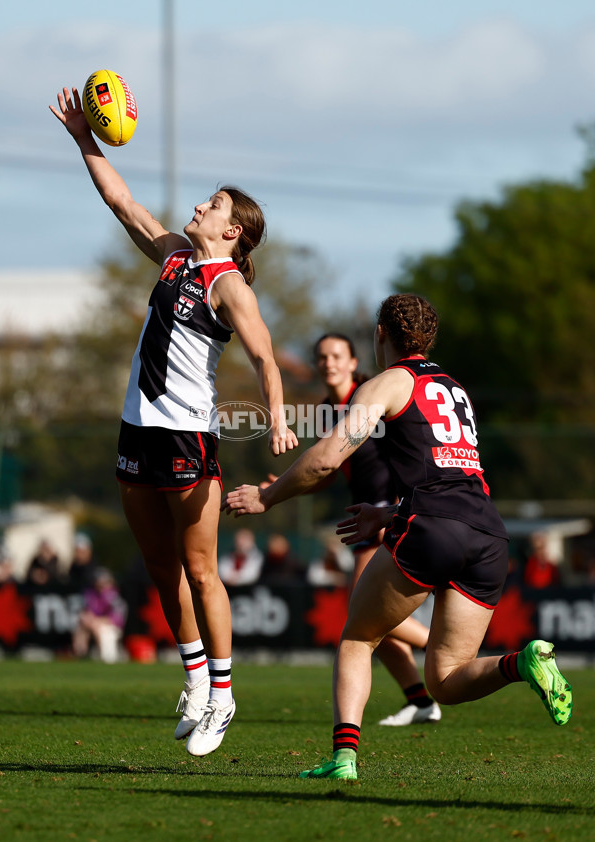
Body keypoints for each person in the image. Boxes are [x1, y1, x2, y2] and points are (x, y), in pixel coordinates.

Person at [223, 293, 573, 780]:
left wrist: (268, 496)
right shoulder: (454, 387)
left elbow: (326, 459)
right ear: (430, 337)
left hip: (433, 529)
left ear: (380, 334)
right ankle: (523, 662)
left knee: (358, 637)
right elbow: (451, 476)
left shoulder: (387, 383)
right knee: (446, 680)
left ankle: (344, 757)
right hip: (489, 534)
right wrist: (390, 513)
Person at [50, 86, 297, 757]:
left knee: (201, 569)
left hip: (187, 435)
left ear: (232, 231)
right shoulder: (174, 258)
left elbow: (264, 353)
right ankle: (193, 677)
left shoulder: (227, 284)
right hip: (137, 430)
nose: (198, 207)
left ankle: (222, 693)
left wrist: (277, 419)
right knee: (160, 568)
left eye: (212, 205)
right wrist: (83, 140)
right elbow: (122, 202)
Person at [313, 332, 440, 726]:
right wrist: (278, 488)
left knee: (365, 616)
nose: (328, 362)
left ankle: (447, 649)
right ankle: (420, 702)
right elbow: (327, 470)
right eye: (321, 357)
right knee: (368, 622)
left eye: (337, 355)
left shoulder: (372, 398)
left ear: (353, 362)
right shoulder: (324, 410)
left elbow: (407, 456)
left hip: (386, 515)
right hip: (363, 518)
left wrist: (397, 512)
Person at [72, 568, 127, 663]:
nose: (102, 586)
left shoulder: (114, 597)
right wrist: (88, 618)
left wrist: (98, 621)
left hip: (110, 626)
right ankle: (80, 655)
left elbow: (118, 618)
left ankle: (107, 657)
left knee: (102, 630)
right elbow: (85, 611)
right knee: (80, 628)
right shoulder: (91, 595)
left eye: (104, 583)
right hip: (93, 624)